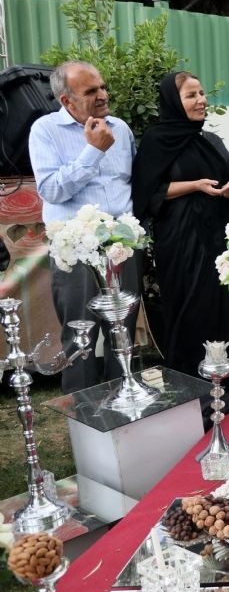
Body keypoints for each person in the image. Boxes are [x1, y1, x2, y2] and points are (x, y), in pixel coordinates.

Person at [133, 71, 229, 411]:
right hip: (182, 242)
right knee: (192, 311)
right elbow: (148, 192)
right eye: (191, 95)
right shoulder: (156, 140)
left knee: (221, 309)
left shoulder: (210, 140)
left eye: (201, 93)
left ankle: (225, 383)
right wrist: (194, 185)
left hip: (218, 239)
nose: (201, 100)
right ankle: (193, 390)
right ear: (174, 101)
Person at [29, 61, 140, 394]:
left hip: (121, 246)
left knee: (123, 330)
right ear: (66, 100)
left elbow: (133, 182)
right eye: (91, 91)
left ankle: (125, 405)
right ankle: (83, 412)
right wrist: (93, 151)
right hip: (75, 250)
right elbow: (51, 190)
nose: (103, 95)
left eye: (103, 87)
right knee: (80, 336)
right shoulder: (45, 130)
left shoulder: (120, 128)